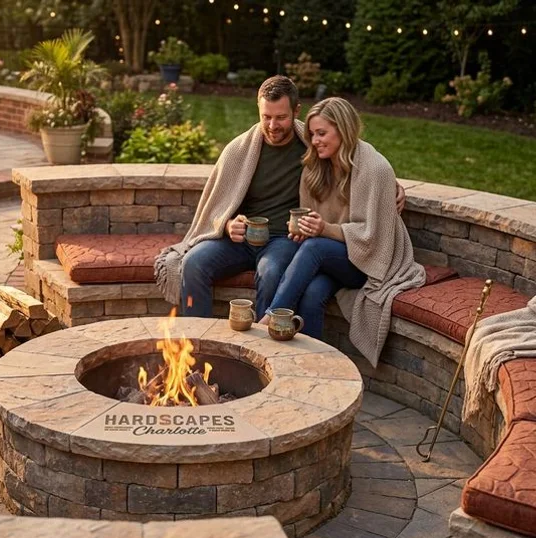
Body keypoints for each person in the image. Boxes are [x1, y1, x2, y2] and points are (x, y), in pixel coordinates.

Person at [154, 76, 405, 318]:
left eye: (281, 117)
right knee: (193, 263)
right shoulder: (239, 150)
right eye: (266, 117)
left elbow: (353, 152)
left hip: (283, 240)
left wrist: (392, 184)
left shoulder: (310, 146)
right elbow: (217, 205)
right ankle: (198, 347)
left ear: (296, 111)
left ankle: (265, 347)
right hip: (239, 241)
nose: (273, 126)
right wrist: (229, 224)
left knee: (271, 272)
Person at [263, 97, 426, 367]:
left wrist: (324, 230)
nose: (315, 141)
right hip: (333, 258)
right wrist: (306, 230)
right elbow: (311, 220)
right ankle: (310, 369)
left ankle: (270, 317)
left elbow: (373, 240)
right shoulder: (315, 167)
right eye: (312, 134)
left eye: (322, 133)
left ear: (344, 130)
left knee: (314, 249)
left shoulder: (374, 169)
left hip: (371, 262)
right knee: (313, 293)